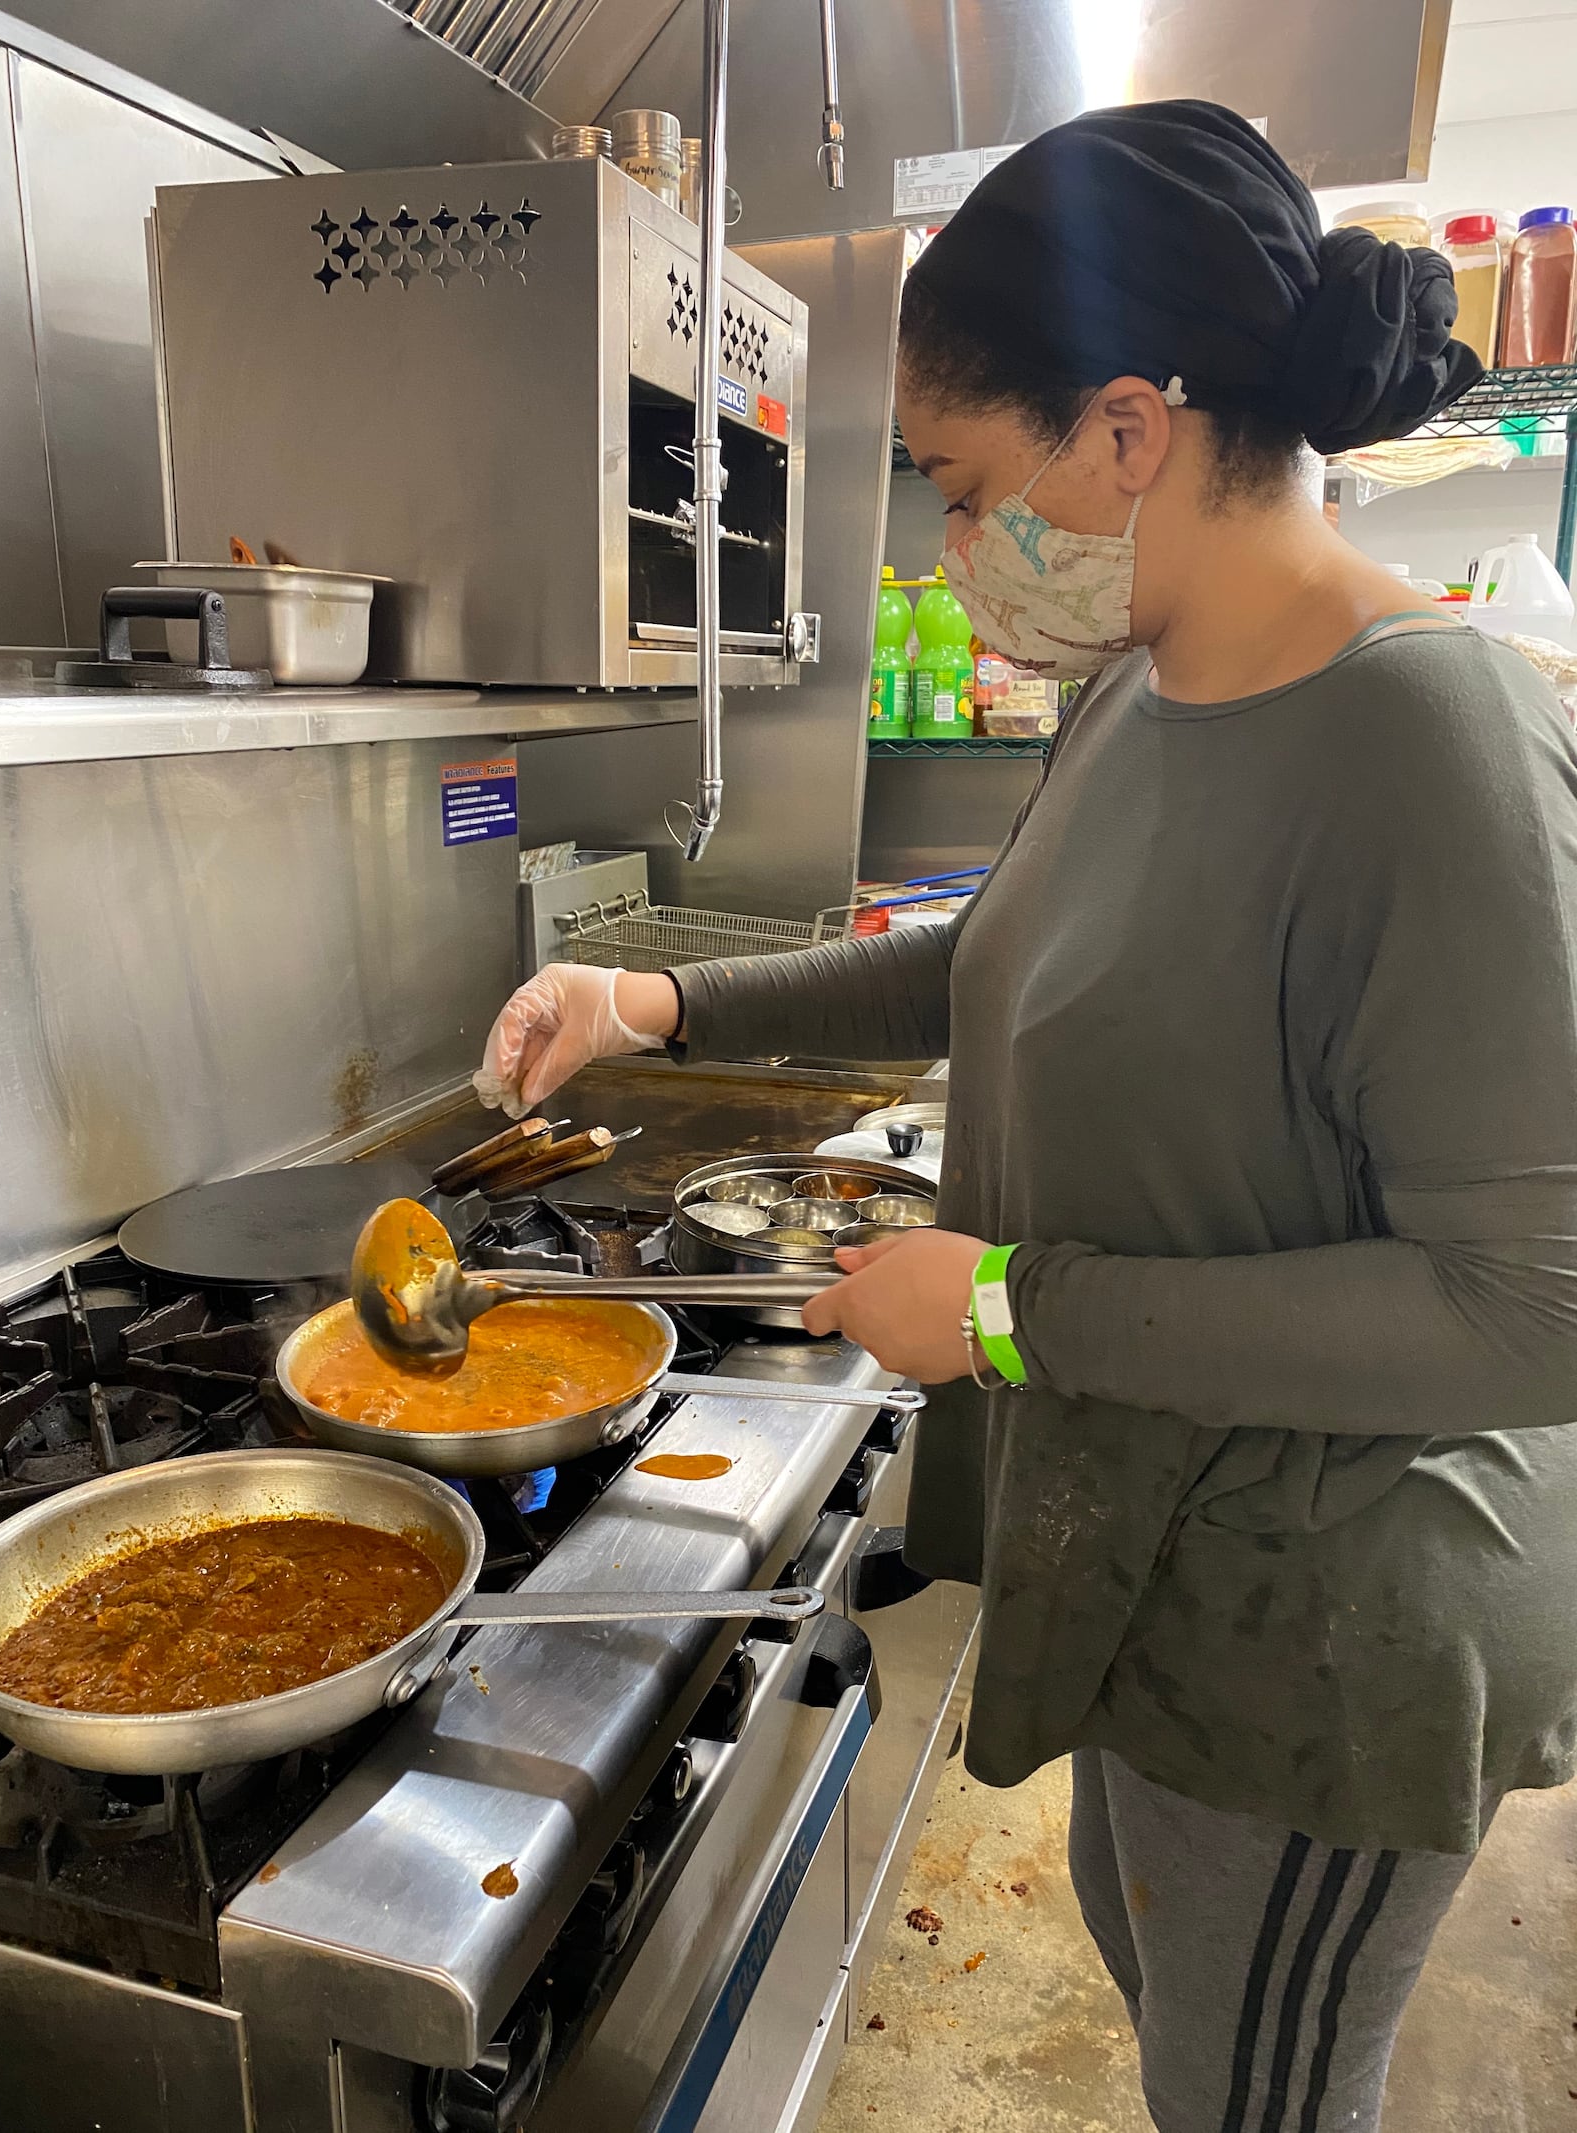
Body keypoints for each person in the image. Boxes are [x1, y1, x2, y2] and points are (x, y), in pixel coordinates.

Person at [478, 101, 1577, 2133]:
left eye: (965, 484)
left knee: (1249, 2084)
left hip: (1333, 1627)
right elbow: (987, 960)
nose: (952, 539)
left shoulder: (1438, 742)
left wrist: (1001, 1311)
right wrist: (650, 995)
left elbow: (1530, 1304)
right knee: (1159, 1973)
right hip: (1161, 1551)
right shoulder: (1137, 686)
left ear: (1129, 433)